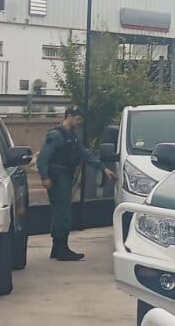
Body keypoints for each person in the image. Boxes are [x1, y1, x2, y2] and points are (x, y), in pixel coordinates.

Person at [38, 107, 116, 261]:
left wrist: (103, 168)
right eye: (78, 119)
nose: (80, 122)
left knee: (60, 212)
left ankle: (57, 248)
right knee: (63, 212)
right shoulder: (56, 135)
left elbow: (84, 153)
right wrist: (45, 177)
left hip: (65, 176)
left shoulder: (72, 136)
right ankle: (61, 249)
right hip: (58, 177)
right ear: (69, 117)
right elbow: (43, 158)